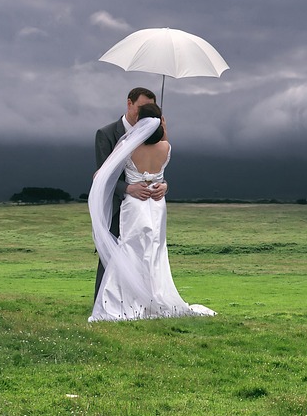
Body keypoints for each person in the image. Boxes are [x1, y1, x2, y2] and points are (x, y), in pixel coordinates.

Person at [88, 103, 214, 322]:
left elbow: (104, 172)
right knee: (154, 251)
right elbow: (160, 164)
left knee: (130, 249)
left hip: (135, 203)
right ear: (160, 122)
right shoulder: (166, 147)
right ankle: (154, 298)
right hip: (157, 202)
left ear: (140, 122)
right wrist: (164, 131)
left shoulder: (128, 145)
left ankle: (124, 302)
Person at [93, 88, 164, 302]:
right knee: (111, 255)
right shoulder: (106, 134)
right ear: (129, 104)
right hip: (116, 206)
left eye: (149, 112)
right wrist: (127, 188)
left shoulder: (154, 136)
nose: (144, 116)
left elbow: (158, 168)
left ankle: (143, 301)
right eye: (141, 109)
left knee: (147, 254)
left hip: (149, 206)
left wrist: (163, 185)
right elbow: (102, 175)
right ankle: (103, 302)